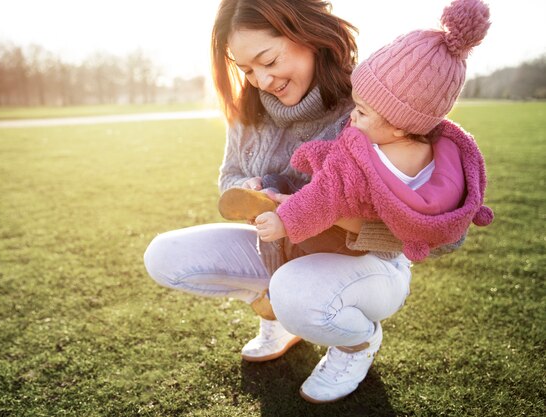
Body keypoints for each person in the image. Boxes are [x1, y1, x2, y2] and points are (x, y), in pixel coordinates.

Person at [144, 0, 461, 403]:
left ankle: (356, 342)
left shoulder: (371, 105)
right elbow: (229, 180)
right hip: (279, 251)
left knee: (298, 291)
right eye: (246, 70)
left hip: (368, 267)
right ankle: (275, 307)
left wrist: (329, 214)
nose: (260, 80)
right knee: (164, 256)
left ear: (307, 34)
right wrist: (257, 188)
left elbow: (441, 236)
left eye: (268, 59)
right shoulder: (249, 109)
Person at [253, 0, 494, 262]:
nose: (352, 115)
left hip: (340, 246)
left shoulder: (367, 164)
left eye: (362, 111)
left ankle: (271, 275)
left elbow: (327, 194)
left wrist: (284, 222)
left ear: (401, 127)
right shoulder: (446, 152)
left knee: (287, 199)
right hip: (376, 242)